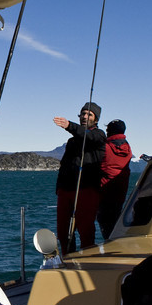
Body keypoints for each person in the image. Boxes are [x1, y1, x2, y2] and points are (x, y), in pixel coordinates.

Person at [52, 102, 106, 253]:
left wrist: (69, 125)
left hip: (87, 190)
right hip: (66, 190)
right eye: (83, 113)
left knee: (85, 230)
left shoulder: (99, 135)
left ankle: (87, 262)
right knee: (63, 231)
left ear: (96, 119)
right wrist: (59, 188)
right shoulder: (71, 141)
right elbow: (64, 164)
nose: (84, 116)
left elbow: (87, 136)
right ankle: (68, 259)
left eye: (89, 114)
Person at [97, 119, 133, 237]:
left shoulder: (106, 147)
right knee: (116, 222)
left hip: (105, 193)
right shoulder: (127, 147)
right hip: (121, 192)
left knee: (106, 225)